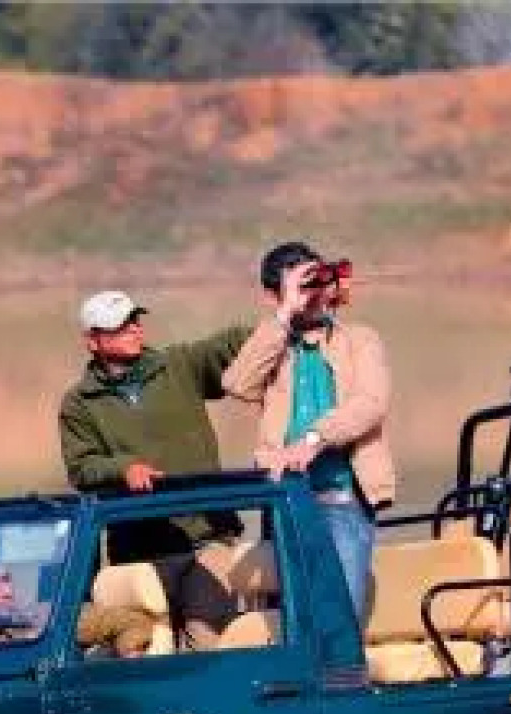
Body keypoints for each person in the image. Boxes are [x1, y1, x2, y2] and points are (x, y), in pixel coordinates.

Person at [58, 290, 253, 646]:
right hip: (138, 550)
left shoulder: (177, 365)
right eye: (119, 326)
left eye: (135, 320)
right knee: (148, 649)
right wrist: (123, 469)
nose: (133, 329)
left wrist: (285, 314)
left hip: (206, 536)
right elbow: (81, 468)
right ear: (92, 340)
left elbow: (232, 344)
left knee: (208, 641)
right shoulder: (79, 403)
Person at [223, 241, 396, 624]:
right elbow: (237, 384)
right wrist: (285, 313)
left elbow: (370, 403)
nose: (315, 293)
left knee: (339, 616)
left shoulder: (360, 340)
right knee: (296, 617)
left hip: (343, 497)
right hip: (287, 498)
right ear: (273, 295)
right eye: (304, 284)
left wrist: (313, 440)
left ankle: (341, 684)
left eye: (318, 281)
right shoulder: (274, 344)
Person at [0, 538, 157, 659]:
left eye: (6, 580)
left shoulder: (45, 617)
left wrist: (127, 654)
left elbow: (134, 623)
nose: (7, 591)